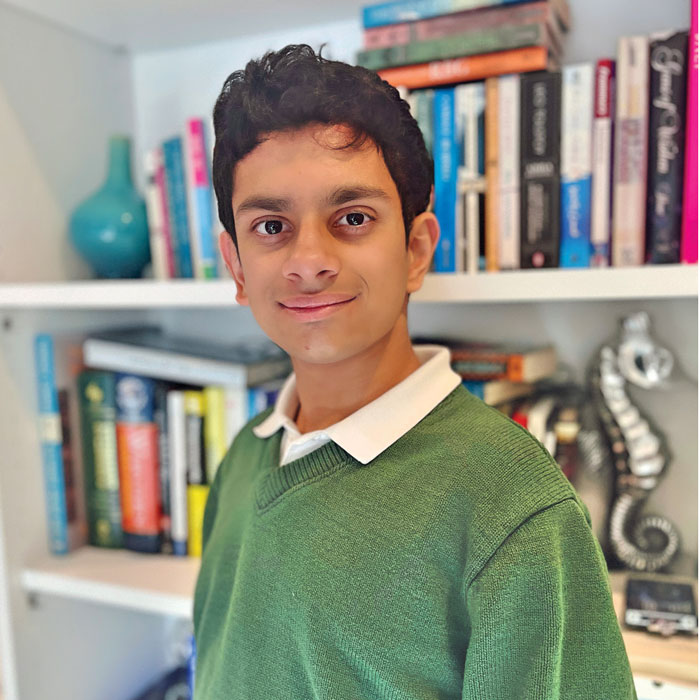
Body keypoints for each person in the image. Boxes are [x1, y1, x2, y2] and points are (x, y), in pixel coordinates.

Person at [192, 44, 637, 699]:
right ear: (235, 265)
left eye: (352, 219)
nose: (308, 260)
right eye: (271, 225)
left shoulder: (513, 508)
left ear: (416, 249)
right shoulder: (242, 457)